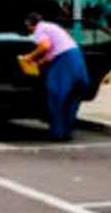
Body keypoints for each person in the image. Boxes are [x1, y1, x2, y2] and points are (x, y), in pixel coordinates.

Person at [22, 11, 88, 142]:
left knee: (56, 96)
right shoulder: (52, 27)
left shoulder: (39, 29)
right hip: (77, 58)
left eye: (27, 27)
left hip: (64, 62)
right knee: (73, 96)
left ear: (30, 25)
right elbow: (51, 52)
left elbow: (45, 46)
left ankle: (57, 133)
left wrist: (29, 57)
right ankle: (67, 131)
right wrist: (39, 63)